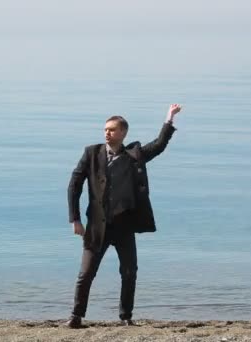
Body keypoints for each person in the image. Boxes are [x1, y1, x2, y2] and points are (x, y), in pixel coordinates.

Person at [66, 104, 183, 328]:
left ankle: (126, 316)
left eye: (111, 129)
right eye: (105, 129)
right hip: (97, 227)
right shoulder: (91, 153)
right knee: (86, 273)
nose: (106, 133)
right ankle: (76, 316)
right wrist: (76, 219)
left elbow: (158, 145)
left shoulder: (133, 155)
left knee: (129, 272)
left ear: (123, 133)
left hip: (124, 226)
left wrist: (169, 118)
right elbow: (74, 185)